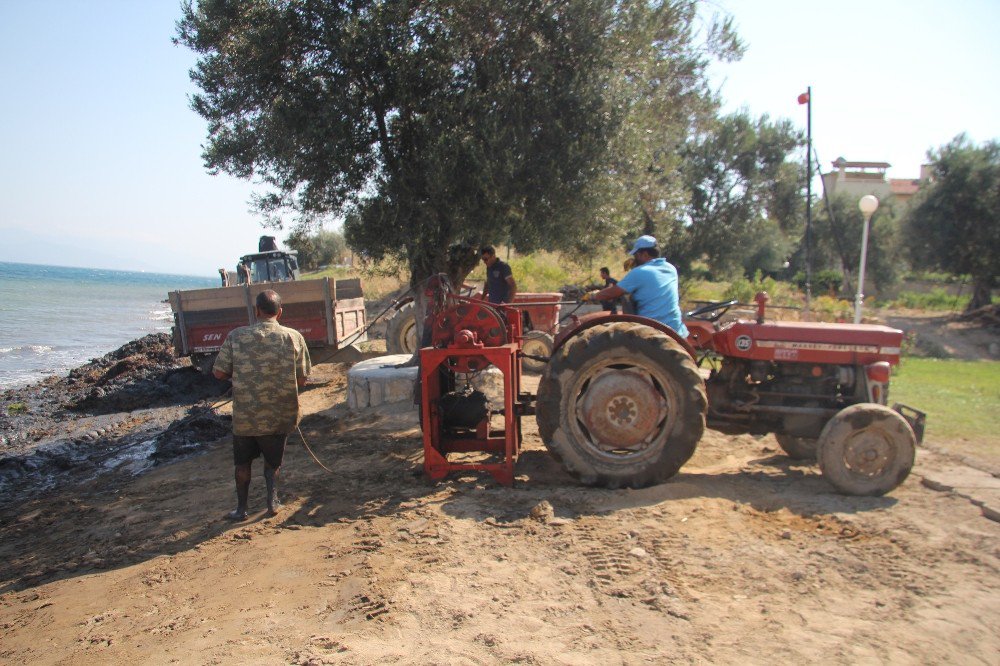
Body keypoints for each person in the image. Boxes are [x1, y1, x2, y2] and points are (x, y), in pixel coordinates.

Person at [213, 290, 311, 521]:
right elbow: (302, 379)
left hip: (246, 417)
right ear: (280, 311)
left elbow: (218, 372)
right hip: (279, 415)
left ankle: (241, 509)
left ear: (256, 311)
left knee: (242, 463)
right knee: (273, 462)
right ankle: (272, 502)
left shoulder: (236, 336)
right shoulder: (293, 337)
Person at [584, 235, 688, 337]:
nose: (635, 258)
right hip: (676, 329)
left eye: (636, 255)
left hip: (650, 330)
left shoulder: (640, 272)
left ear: (645, 254)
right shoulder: (670, 268)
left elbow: (612, 293)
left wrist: (593, 295)